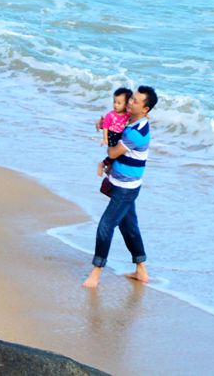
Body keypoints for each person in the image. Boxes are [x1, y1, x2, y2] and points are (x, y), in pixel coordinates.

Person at [82, 84, 154, 289]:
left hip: (126, 188)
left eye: (135, 101)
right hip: (122, 183)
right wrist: (103, 122)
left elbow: (114, 153)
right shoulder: (130, 122)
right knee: (128, 225)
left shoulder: (136, 132)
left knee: (106, 225)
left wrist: (107, 149)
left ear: (146, 109)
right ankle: (141, 270)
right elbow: (113, 120)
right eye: (131, 99)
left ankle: (96, 272)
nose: (130, 103)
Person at [96, 86, 132, 197]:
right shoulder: (111, 115)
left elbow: (135, 116)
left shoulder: (127, 115)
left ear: (126, 105)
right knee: (115, 156)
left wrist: (145, 115)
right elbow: (106, 126)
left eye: (119, 103)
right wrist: (105, 139)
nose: (115, 105)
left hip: (120, 137)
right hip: (112, 137)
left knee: (117, 159)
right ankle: (103, 164)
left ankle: (107, 168)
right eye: (114, 102)